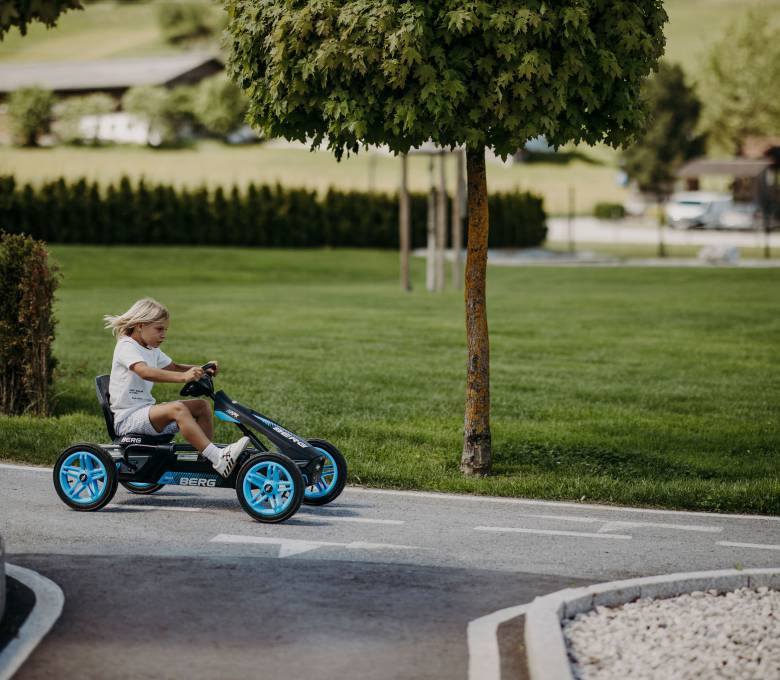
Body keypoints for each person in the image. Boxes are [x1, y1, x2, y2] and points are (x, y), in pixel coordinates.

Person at [103, 297, 249, 477]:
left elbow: (174, 367)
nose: (164, 335)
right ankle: (217, 457)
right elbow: (145, 372)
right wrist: (183, 377)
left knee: (201, 406)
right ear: (140, 325)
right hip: (128, 419)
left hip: (145, 412)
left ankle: (207, 459)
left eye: (165, 330)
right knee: (178, 409)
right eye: (159, 329)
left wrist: (202, 368)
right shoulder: (126, 346)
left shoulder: (151, 348)